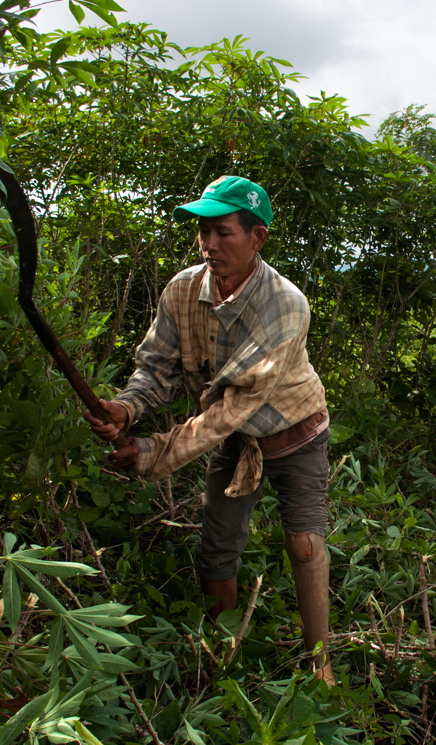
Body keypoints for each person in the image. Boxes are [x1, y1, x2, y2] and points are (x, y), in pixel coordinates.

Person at [84, 175, 333, 683]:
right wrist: (126, 412)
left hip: (295, 431)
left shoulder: (286, 304)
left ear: (257, 238)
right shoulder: (182, 291)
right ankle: (218, 653)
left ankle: (320, 665)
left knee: (304, 544)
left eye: (223, 233)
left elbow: (231, 407)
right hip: (235, 440)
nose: (208, 244)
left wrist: (154, 452)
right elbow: (157, 368)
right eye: (203, 232)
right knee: (217, 547)